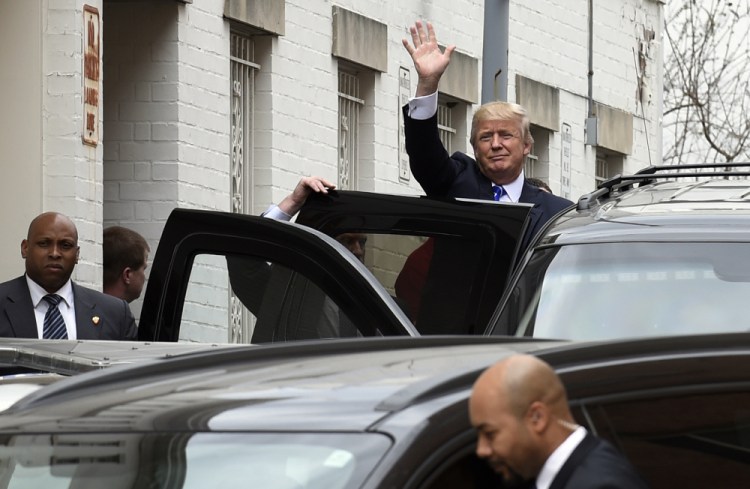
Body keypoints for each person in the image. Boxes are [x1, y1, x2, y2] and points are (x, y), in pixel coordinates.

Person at [401, 20, 573, 246]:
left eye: (506, 135)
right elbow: (425, 153)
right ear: (474, 147)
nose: (495, 144)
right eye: (485, 137)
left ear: (527, 145)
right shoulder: (456, 182)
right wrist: (427, 84)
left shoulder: (559, 213)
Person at [469, 354, 649, 489]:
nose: (481, 450)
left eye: (490, 434)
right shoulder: (552, 475)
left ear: (537, 418)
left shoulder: (601, 485)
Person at [0, 212, 137, 340]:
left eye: (65, 245)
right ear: (25, 248)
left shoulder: (115, 313)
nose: (54, 253)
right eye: (44, 243)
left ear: (77, 254)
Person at [103, 225, 150, 303]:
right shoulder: (116, 314)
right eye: (143, 269)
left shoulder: (88, 310)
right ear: (127, 275)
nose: (144, 278)